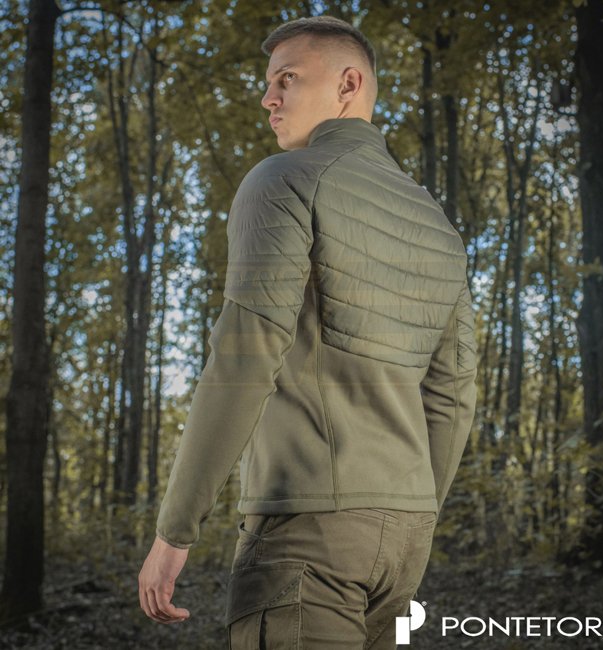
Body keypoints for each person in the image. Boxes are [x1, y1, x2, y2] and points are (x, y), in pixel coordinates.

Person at [138, 15, 477, 649]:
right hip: (406, 543)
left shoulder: (282, 179)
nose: (268, 98)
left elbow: (244, 356)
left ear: (349, 84)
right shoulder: (438, 224)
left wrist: (174, 530)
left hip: (305, 536)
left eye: (287, 79)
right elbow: (453, 394)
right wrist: (413, 508)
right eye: (269, 83)